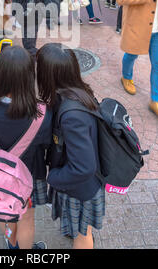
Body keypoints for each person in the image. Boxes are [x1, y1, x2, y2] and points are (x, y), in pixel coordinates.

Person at [0, 45, 52, 250]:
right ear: (28, 77)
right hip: (27, 176)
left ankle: (11, 245)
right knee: (26, 219)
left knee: (3, 210)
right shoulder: (41, 114)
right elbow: (45, 144)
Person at [36, 43, 105, 250]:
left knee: (83, 236)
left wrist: (53, 178)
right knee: (80, 231)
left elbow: (84, 167)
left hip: (80, 188)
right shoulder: (80, 91)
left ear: (49, 75)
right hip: (86, 183)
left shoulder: (72, 115)